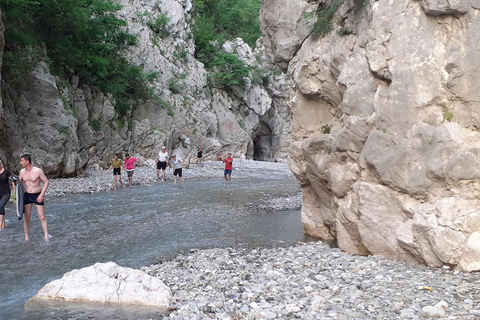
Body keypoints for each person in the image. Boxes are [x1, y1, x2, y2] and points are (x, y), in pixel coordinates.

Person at [19, 154, 50, 241]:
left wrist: (41, 195)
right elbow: (19, 184)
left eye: (22, 161)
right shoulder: (22, 172)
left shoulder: (38, 171)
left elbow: (46, 182)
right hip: (27, 195)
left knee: (42, 216)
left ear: (27, 161)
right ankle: (26, 237)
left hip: (37, 195)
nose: (20, 163)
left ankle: (46, 236)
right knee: (27, 217)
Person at [0, 160, 14, 230]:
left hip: (6, 192)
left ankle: (0, 226)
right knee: (1, 208)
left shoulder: (6, 172)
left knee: (0, 206)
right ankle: (3, 226)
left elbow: (13, 181)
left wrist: (15, 192)